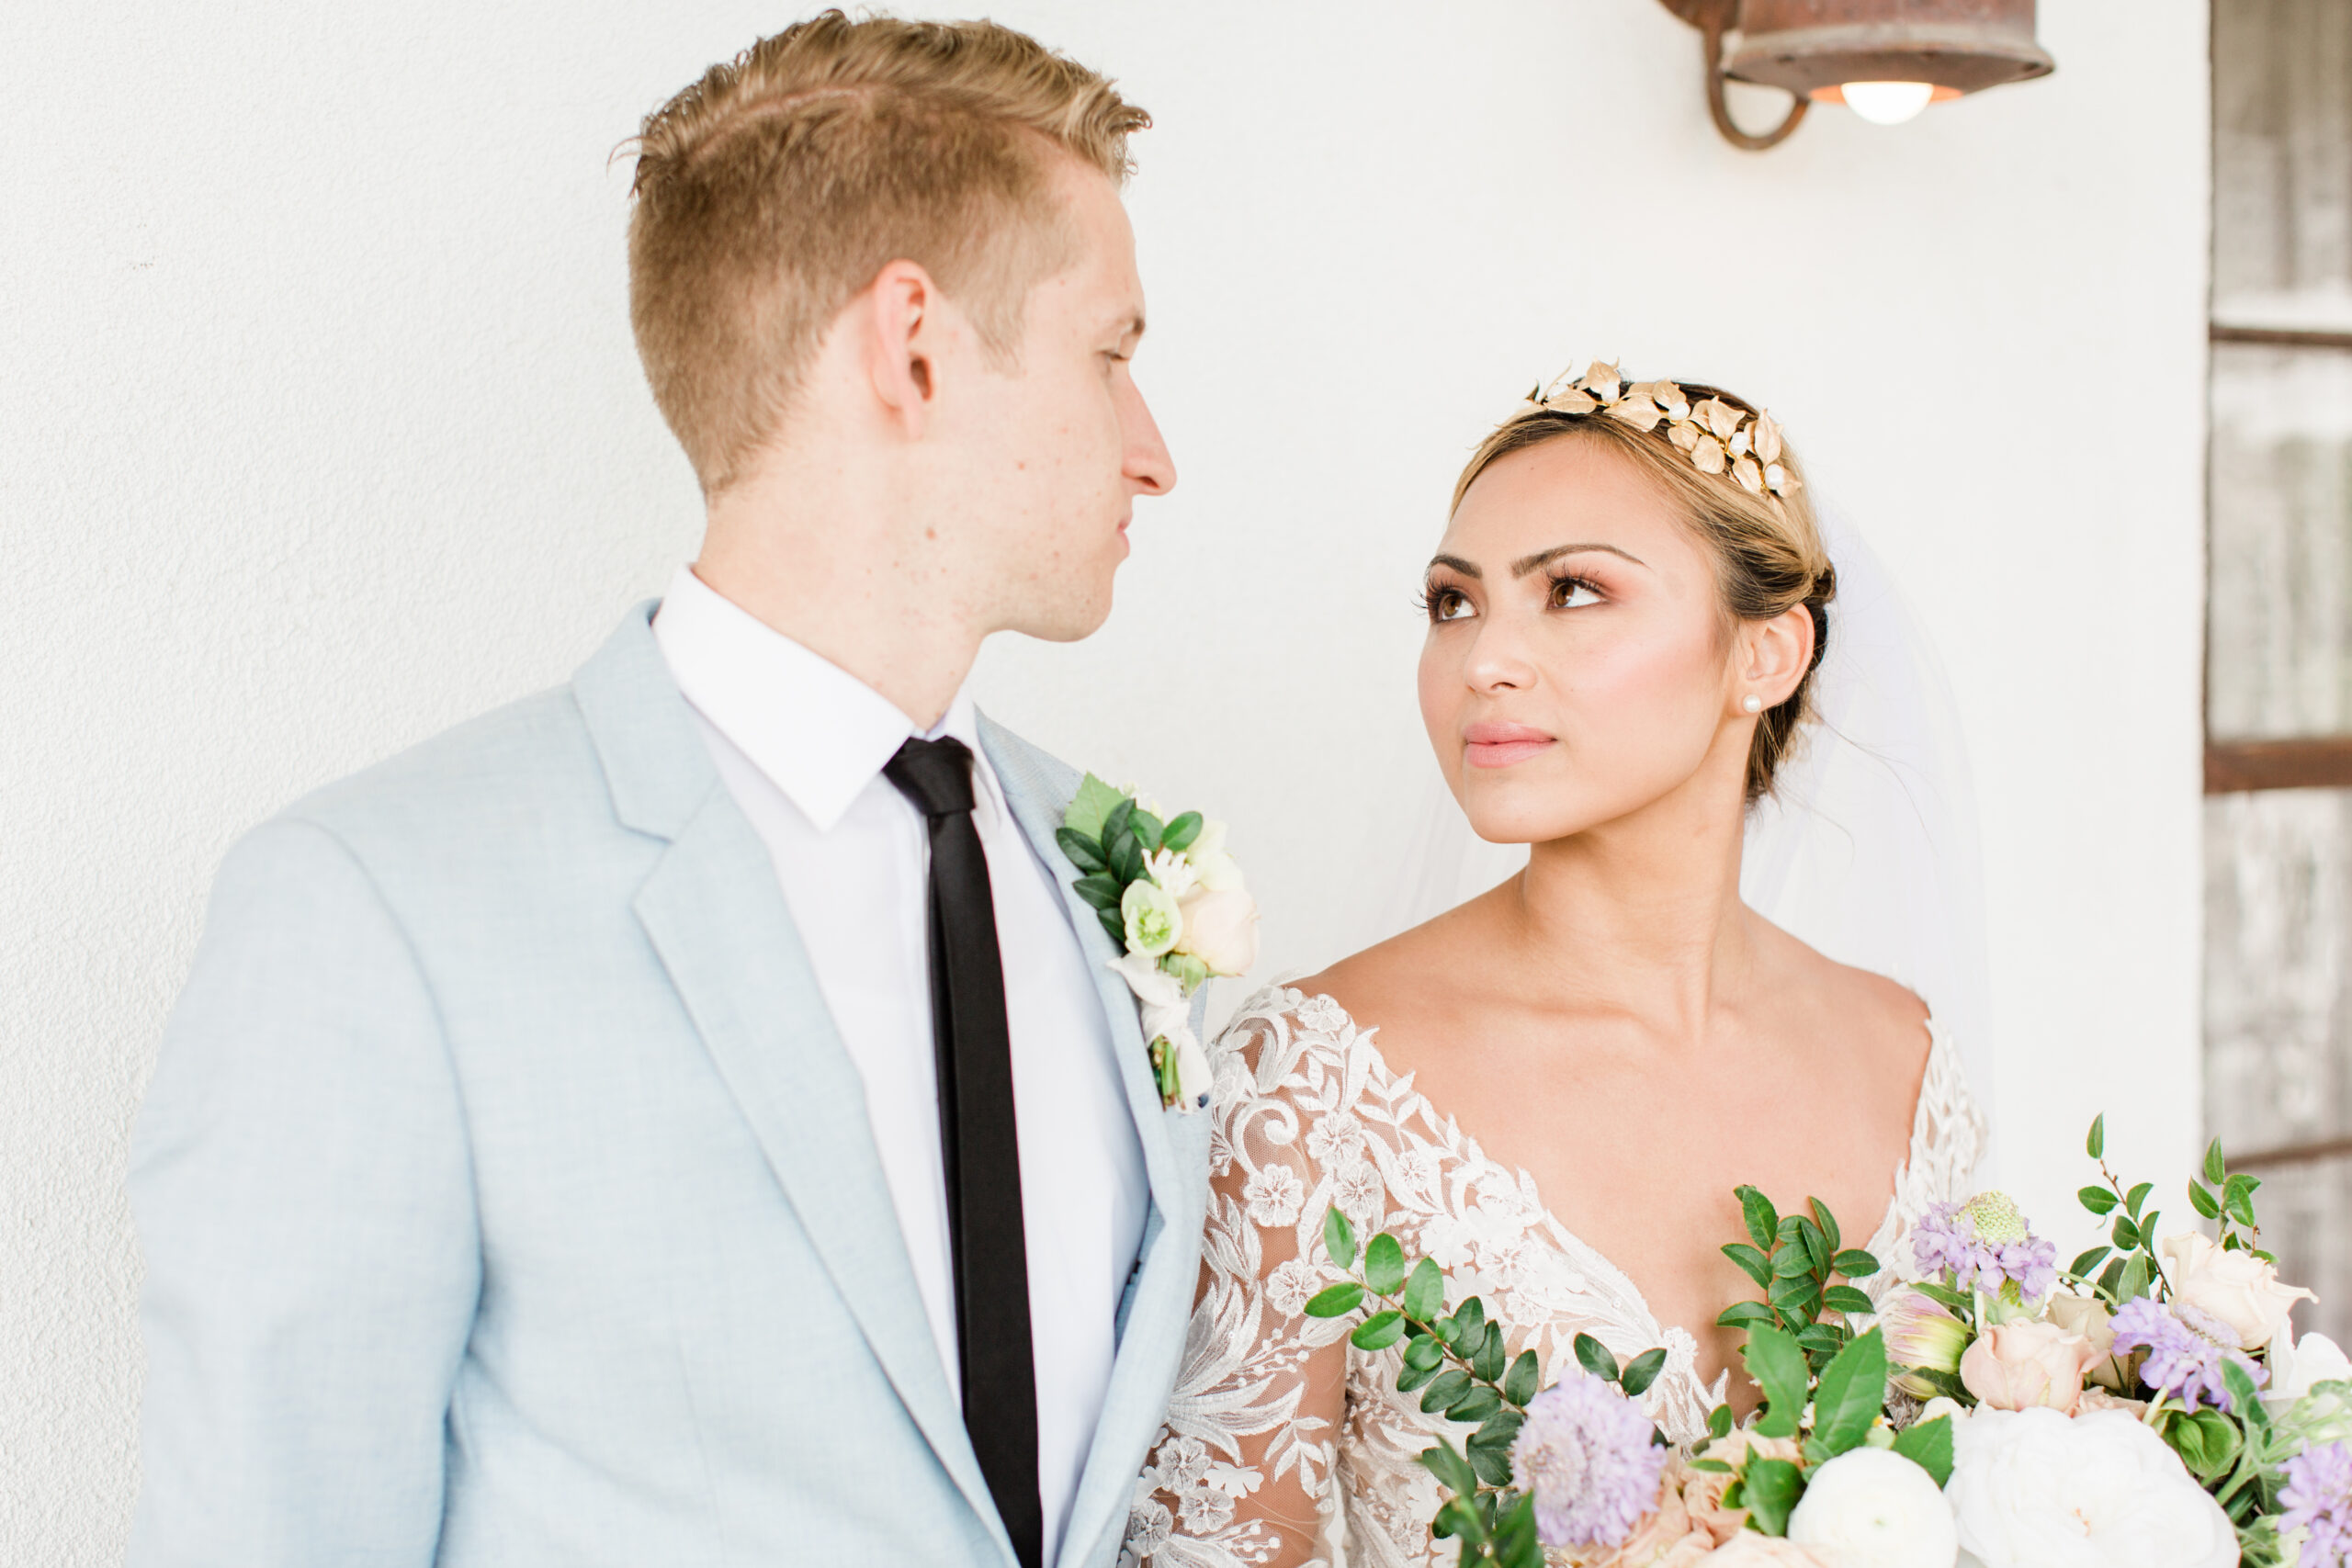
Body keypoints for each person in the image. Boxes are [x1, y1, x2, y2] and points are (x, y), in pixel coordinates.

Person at [129, 15, 1207, 1567]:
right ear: (913, 344)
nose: (1153, 452)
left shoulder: (1100, 858)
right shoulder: (376, 911)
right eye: (1112, 353)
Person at [1125, 368, 1986, 1566]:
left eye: (1572, 591)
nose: (1484, 660)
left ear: (1766, 653)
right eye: (1452, 603)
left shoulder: (1904, 1059)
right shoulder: (1312, 1087)